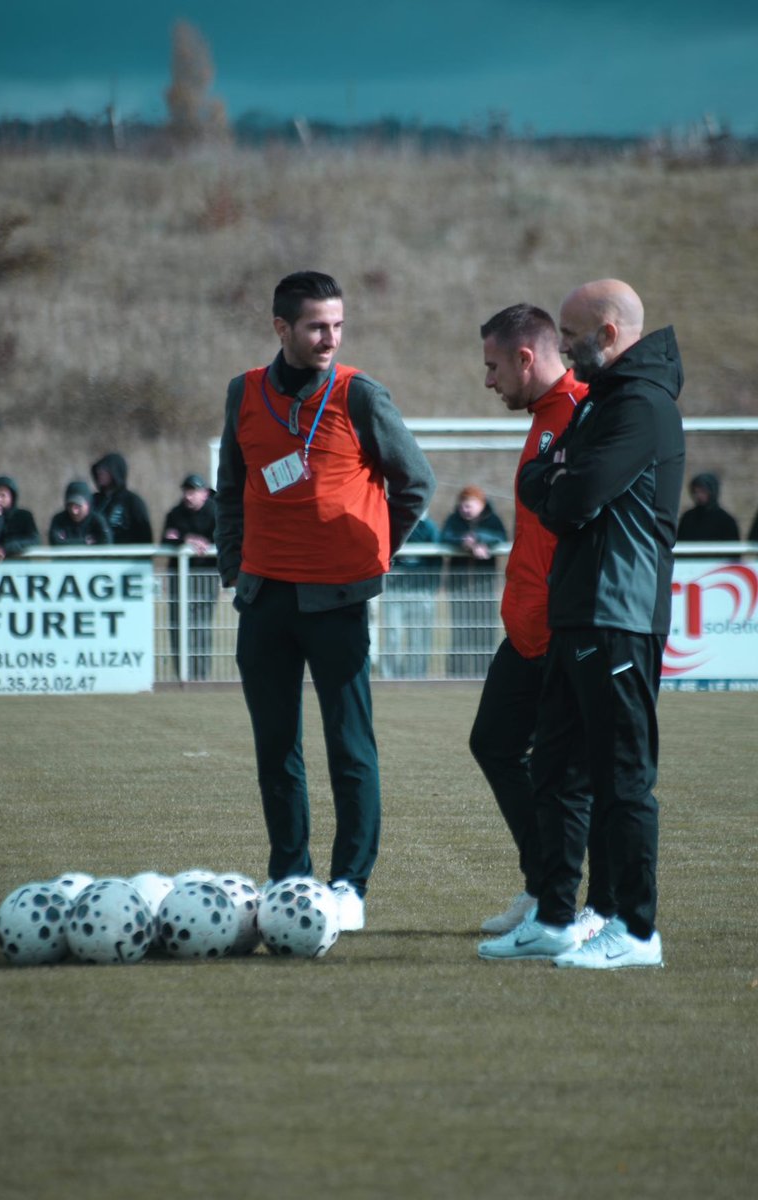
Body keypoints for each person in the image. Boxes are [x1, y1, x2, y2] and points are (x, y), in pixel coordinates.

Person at [214, 270, 435, 931]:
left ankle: (350, 886)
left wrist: (374, 553)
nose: (329, 337)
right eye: (316, 326)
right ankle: (289, 874)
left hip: (337, 602)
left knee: (349, 746)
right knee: (275, 747)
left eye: (337, 325)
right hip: (264, 601)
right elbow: (232, 486)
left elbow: (415, 482)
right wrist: (236, 572)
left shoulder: (359, 393)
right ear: (281, 328)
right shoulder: (244, 392)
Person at [479, 278, 685, 969]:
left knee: (622, 779)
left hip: (619, 613)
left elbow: (570, 500)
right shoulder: (603, 403)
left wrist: (554, 478)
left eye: (569, 336)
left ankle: (636, 929)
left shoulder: (643, 405)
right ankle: (556, 919)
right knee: (559, 775)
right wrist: (555, 478)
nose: (561, 349)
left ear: (607, 333)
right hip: (577, 611)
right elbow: (551, 488)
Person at [469, 304, 612, 942]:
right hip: (526, 627)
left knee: (576, 775)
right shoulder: (543, 417)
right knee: (494, 743)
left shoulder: (587, 409)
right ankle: (543, 886)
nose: (489, 380)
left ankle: (591, 904)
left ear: (526, 358)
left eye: (494, 366)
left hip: (567, 628)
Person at [440, 485, 507, 677]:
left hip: (483, 585)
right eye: (463, 505)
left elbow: (500, 536)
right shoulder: (454, 520)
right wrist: (464, 542)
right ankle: (457, 672)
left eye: (470, 505)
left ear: (481, 504)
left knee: (484, 628)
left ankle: (484, 671)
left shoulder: (492, 520)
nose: (465, 509)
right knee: (459, 629)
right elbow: (445, 536)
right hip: (458, 585)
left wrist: (479, 539)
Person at [161, 473, 220, 681]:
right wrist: (187, 539)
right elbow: (166, 539)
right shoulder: (175, 514)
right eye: (186, 491)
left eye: (193, 491)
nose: (188, 495)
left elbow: (222, 538)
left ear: (205, 493)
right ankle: (182, 677)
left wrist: (204, 543)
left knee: (201, 626)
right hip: (179, 578)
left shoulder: (215, 512)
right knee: (178, 626)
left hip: (206, 578)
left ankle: (200, 677)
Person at [379, 511, 442, 679]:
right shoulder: (391, 521)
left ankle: (417, 676)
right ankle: (389, 677)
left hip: (420, 589)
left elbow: (437, 560)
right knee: (393, 633)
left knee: (419, 635)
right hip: (394, 587)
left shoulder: (429, 527)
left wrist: (431, 586)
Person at [90, 452, 153, 544]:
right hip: (97, 556)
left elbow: (145, 535)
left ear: (115, 472)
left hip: (126, 556)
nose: (100, 473)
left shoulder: (132, 501)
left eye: (105, 470)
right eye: (99, 470)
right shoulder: (93, 500)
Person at [677, 472, 740, 542]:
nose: (699, 496)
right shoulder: (687, 518)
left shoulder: (726, 521)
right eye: (696, 492)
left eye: (703, 491)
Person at [0, 475, 40, 561]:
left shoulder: (24, 515)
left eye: (2, 495)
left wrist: (6, 548)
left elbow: (34, 539)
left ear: (12, 497)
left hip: (19, 565)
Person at [48, 480, 113, 546]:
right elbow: (56, 543)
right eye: (70, 506)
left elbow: (106, 544)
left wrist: (68, 542)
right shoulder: (59, 520)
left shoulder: (97, 521)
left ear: (87, 505)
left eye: (78, 506)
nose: (74, 511)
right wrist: (85, 542)